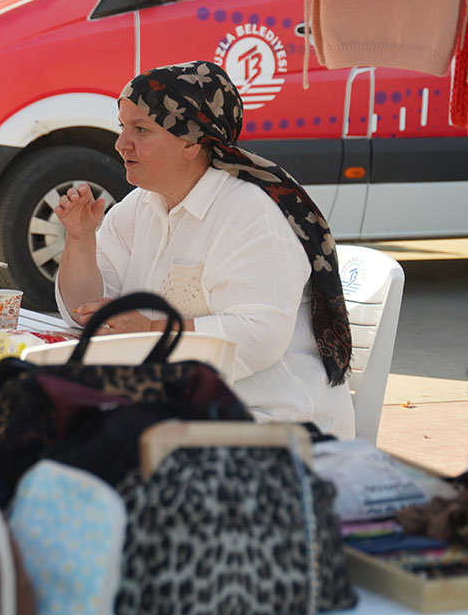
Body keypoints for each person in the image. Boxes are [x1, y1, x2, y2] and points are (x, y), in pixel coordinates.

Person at [55, 61, 355, 437]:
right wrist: (80, 241)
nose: (120, 143)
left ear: (191, 143)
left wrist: (152, 330)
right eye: (123, 127)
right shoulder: (141, 205)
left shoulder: (251, 212)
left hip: (275, 422)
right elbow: (87, 310)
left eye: (141, 130)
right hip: (185, 409)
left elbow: (258, 336)